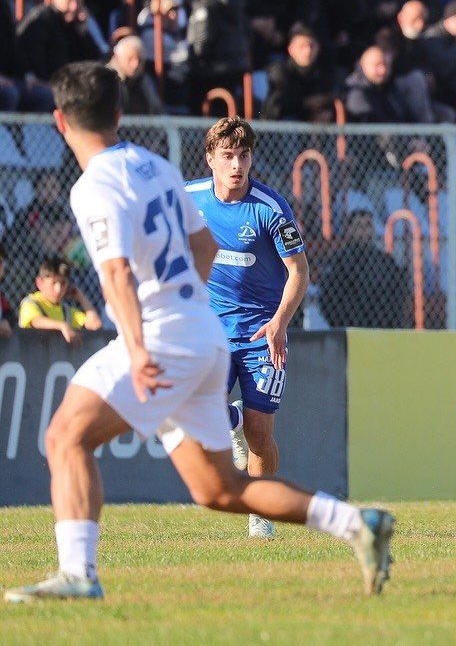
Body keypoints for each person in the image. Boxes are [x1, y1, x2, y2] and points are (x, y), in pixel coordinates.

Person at [3, 63, 392, 602]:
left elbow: (115, 274)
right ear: (119, 115)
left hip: (162, 336)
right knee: (219, 489)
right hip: (203, 335)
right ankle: (357, 523)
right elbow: (205, 250)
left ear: (59, 122)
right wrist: (190, 311)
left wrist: (138, 348)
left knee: (65, 438)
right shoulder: (157, 167)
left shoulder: (92, 187)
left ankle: (78, 575)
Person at [183, 117, 310, 540]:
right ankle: (230, 420)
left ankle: (261, 515)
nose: (237, 164)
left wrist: (279, 322)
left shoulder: (270, 208)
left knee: (260, 431)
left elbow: (299, 272)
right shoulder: (189, 199)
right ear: (210, 159)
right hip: (210, 331)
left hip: (262, 332)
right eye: (228, 156)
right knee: (207, 423)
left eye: (244, 155)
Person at [18, 256, 102, 345]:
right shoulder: (31, 303)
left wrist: (80, 297)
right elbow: (36, 321)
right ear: (39, 283)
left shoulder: (67, 311)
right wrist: (62, 326)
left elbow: (95, 325)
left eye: (63, 283)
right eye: (53, 283)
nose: (58, 289)